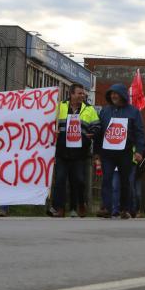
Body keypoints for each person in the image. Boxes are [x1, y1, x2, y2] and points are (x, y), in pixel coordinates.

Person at [96, 84, 145, 219]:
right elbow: (100, 132)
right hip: (107, 152)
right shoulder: (105, 111)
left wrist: (139, 150)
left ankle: (125, 209)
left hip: (125, 151)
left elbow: (139, 133)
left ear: (123, 95)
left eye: (116, 94)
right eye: (111, 94)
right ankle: (107, 207)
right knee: (106, 180)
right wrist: (97, 152)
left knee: (125, 181)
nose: (113, 96)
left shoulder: (133, 112)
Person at [52, 83, 100, 218]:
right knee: (60, 180)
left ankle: (78, 205)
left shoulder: (89, 110)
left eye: (83, 93)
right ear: (71, 94)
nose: (82, 95)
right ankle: (59, 208)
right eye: (79, 93)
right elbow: (49, 122)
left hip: (80, 152)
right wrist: (53, 130)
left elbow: (97, 126)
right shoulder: (59, 106)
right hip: (62, 150)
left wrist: (92, 133)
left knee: (78, 180)